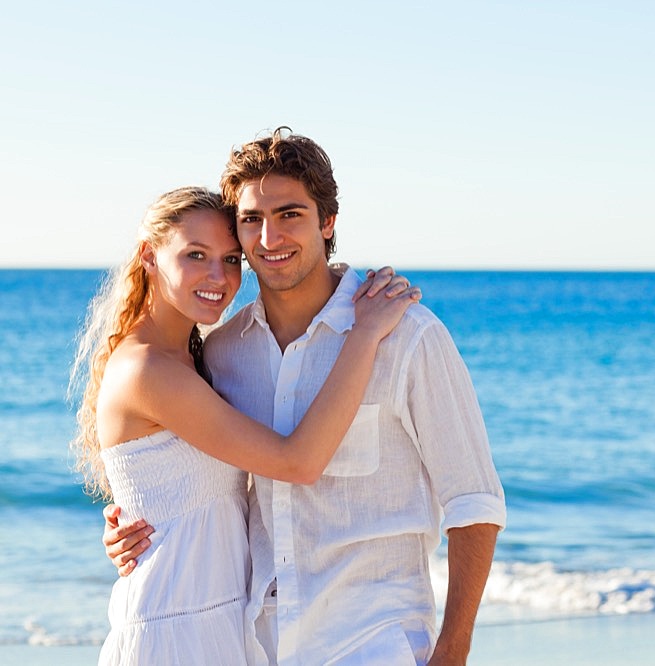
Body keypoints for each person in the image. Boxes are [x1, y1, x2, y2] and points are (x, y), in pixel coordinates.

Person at [105, 128, 507, 665]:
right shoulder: (222, 354)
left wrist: (453, 652)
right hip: (254, 645)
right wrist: (136, 519)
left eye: (290, 214)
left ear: (328, 222)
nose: (269, 238)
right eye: (251, 220)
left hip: (372, 643)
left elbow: (474, 502)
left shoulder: (409, 336)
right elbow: (190, 466)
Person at [72, 185, 419, 665]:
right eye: (196, 255)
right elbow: (295, 463)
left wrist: (134, 514)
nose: (219, 276)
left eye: (232, 259)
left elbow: (185, 492)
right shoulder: (148, 370)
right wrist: (363, 334)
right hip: (174, 633)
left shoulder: (197, 359)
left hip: (217, 625)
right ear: (149, 257)